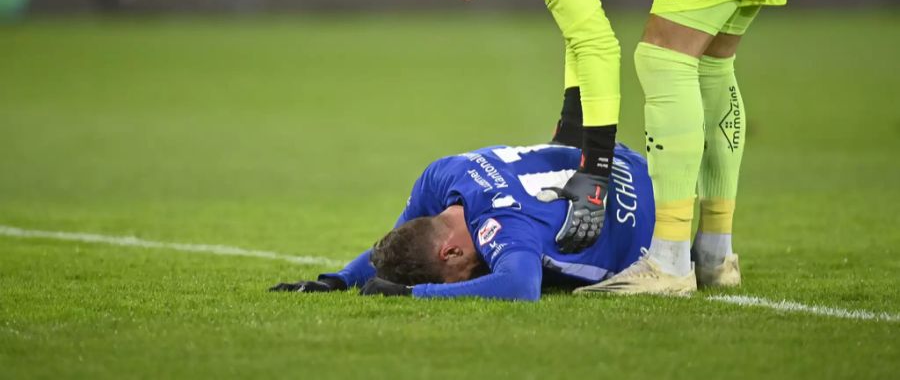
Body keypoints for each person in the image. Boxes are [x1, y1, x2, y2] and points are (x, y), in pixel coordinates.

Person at [396, 0, 806, 294]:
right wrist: (571, 137)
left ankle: (671, 264)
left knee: (663, 58)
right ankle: (715, 254)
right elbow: (581, 31)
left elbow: (596, 44)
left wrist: (594, 174)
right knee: (710, 67)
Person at [269, 142, 658, 300]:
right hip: (615, 158)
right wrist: (336, 280)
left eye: (452, 276)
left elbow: (521, 285)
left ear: (451, 251)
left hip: (656, 223)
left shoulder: (504, 225)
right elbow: (401, 234)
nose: (467, 279)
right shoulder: (442, 176)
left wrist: (414, 295)